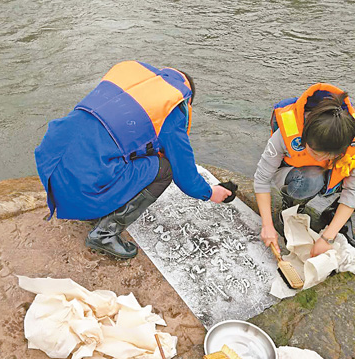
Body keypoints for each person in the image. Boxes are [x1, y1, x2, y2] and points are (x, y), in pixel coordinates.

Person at [35, 60, 231, 259]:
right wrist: (210, 192)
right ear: (186, 101)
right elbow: (185, 176)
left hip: (52, 165)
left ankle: (96, 210)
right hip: (82, 183)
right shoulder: (171, 109)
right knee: (164, 169)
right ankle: (105, 233)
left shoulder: (131, 85)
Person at [254, 83, 355, 258]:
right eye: (315, 153)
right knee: (312, 178)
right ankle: (292, 204)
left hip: (332, 177)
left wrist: (327, 238)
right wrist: (267, 225)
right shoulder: (286, 133)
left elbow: (352, 191)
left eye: (329, 156)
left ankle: (332, 213)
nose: (321, 160)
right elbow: (261, 179)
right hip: (296, 174)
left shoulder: (350, 140)